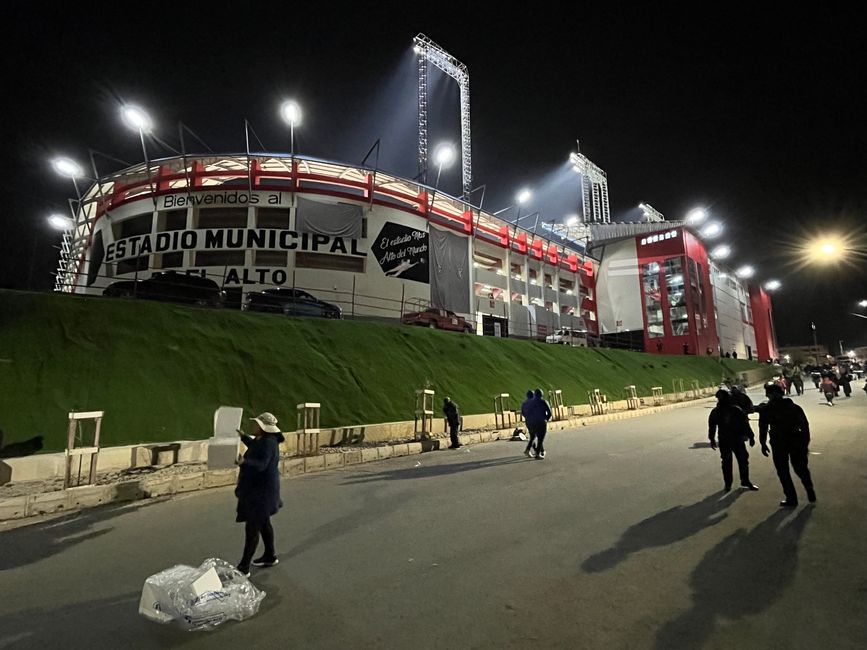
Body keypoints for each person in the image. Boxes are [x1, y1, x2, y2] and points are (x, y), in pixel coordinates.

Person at [235, 412, 285, 576]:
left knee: (252, 528)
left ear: (263, 427)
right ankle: (270, 556)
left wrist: (244, 462)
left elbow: (261, 464)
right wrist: (243, 436)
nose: (253, 427)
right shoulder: (262, 440)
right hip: (263, 491)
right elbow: (254, 445)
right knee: (264, 524)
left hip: (260, 494)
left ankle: (243, 567)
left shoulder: (268, 443)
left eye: (256, 424)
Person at [758, 383, 816, 507]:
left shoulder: (768, 409)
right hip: (796, 441)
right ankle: (808, 488)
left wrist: (762, 443)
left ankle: (791, 498)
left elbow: (763, 428)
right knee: (800, 468)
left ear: (770, 395)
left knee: (783, 471)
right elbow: (805, 426)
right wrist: (805, 442)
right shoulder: (794, 407)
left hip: (779, 443)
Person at [708, 390, 759, 493]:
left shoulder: (720, 411)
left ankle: (731, 483)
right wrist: (751, 436)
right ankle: (740, 481)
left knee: (731, 462)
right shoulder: (734, 410)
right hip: (734, 439)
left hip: (729, 439)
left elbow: (712, 427)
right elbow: (745, 424)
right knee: (740, 461)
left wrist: (712, 439)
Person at [520, 390, 537, 457]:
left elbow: (523, 413)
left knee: (532, 436)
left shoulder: (524, 403)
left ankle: (536, 450)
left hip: (528, 421)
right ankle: (528, 450)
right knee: (534, 436)